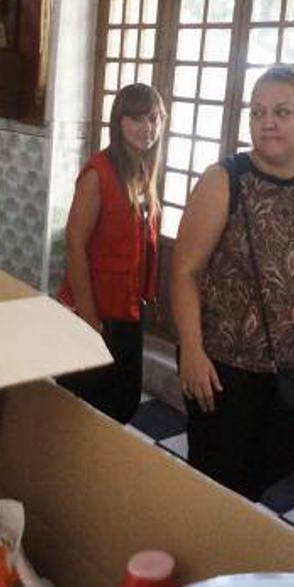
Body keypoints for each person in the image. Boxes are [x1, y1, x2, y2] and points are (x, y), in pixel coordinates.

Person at [170, 66, 294, 501]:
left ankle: (242, 558)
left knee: (270, 472)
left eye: (281, 112)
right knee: (216, 485)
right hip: (224, 368)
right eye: (257, 112)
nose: (266, 123)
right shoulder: (226, 179)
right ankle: (212, 563)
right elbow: (184, 271)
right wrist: (192, 352)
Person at [57, 82, 166, 424]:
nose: (146, 128)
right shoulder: (98, 172)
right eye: (135, 119)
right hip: (97, 309)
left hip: (129, 308)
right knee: (87, 403)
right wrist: (89, 316)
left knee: (123, 399)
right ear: (118, 122)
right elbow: (75, 243)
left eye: (152, 119)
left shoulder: (142, 169)